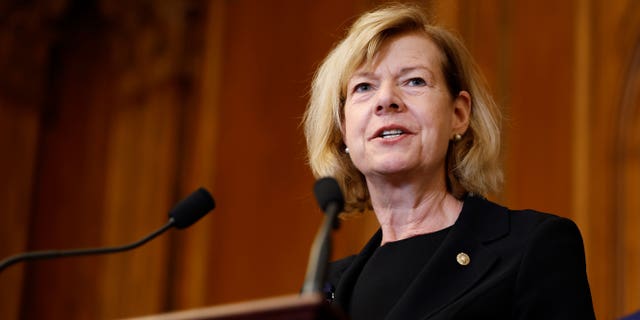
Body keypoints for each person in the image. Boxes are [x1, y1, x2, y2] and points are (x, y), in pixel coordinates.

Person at [302, 3, 595, 319]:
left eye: (414, 81)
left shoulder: (533, 247)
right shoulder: (327, 288)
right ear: (344, 130)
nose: (386, 99)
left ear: (458, 115)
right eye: (364, 87)